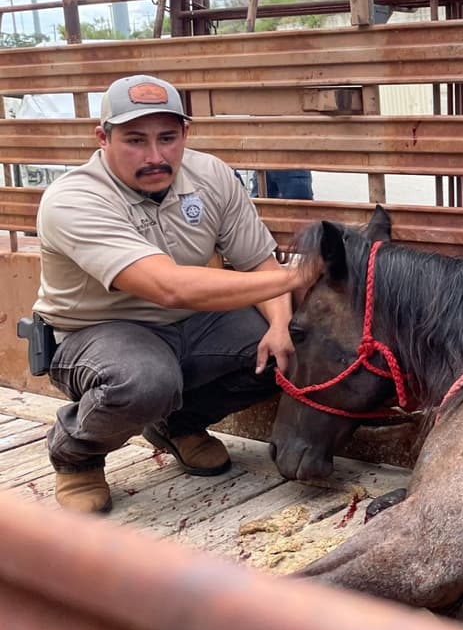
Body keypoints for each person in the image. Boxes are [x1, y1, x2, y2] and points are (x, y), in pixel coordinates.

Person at [32, 74, 315, 514]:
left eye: (167, 138)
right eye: (134, 140)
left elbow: (259, 261)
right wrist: (299, 277)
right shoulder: (73, 199)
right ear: (102, 138)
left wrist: (280, 325)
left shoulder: (211, 175)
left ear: (186, 133)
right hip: (98, 332)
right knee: (144, 380)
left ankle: (180, 425)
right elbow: (169, 287)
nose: (155, 156)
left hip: (192, 322)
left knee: (296, 344)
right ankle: (76, 456)